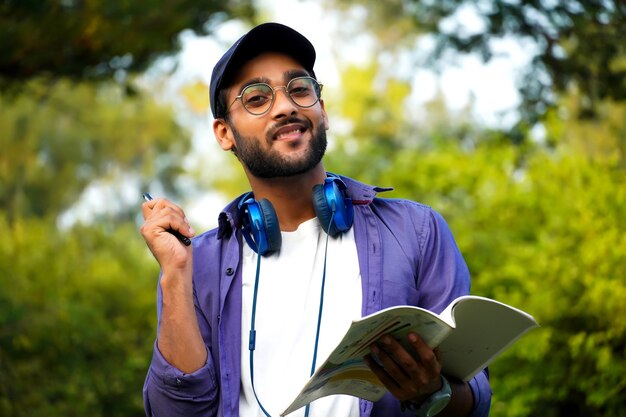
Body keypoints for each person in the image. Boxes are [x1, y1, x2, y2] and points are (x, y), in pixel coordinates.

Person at [140, 22, 491, 417]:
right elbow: (175, 412)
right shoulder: (196, 264)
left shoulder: (417, 232)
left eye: (300, 89)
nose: (286, 106)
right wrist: (174, 274)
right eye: (256, 98)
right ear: (225, 133)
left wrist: (432, 390)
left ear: (321, 110)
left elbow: (474, 398)